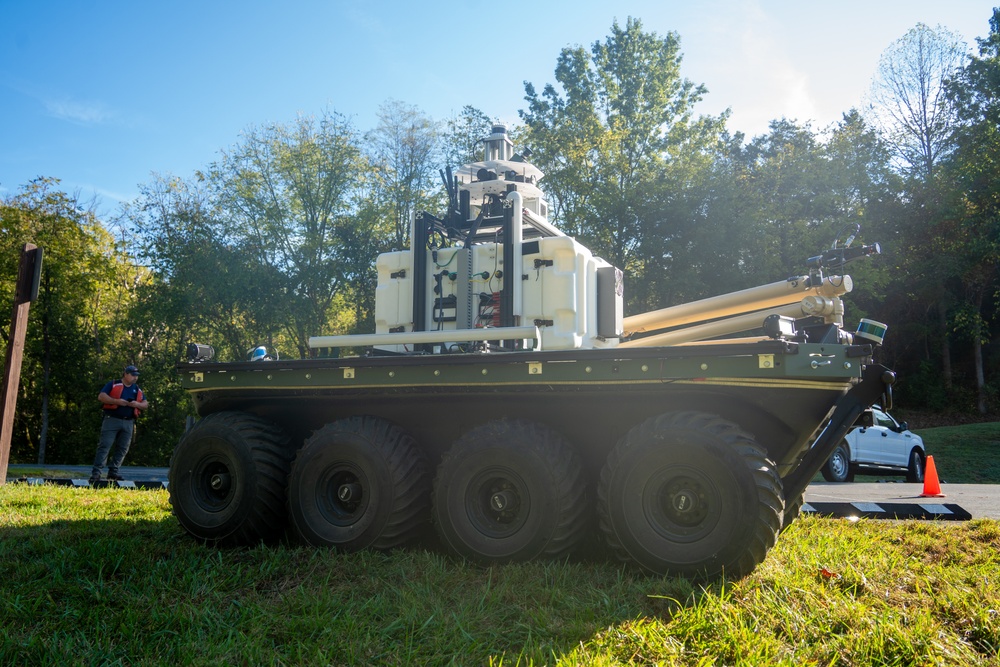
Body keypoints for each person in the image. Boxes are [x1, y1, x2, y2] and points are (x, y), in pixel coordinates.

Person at [89, 365, 148, 484]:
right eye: (132, 375)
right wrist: (116, 401)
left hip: (128, 422)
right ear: (125, 374)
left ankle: (113, 473)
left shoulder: (137, 389)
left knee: (122, 448)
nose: (135, 378)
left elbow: (145, 404)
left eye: (136, 376)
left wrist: (136, 404)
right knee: (105, 446)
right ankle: (96, 473)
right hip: (112, 419)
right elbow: (101, 396)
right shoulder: (113, 384)